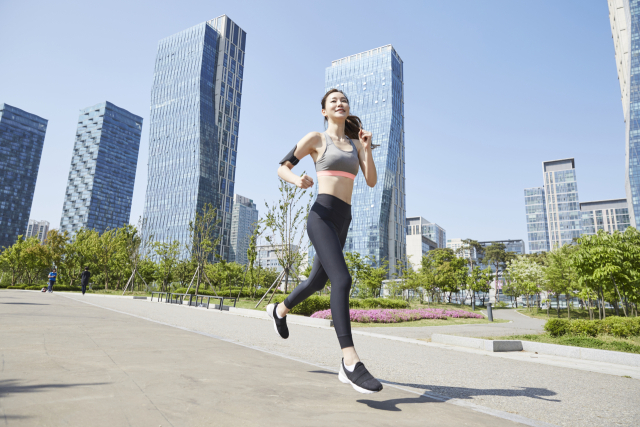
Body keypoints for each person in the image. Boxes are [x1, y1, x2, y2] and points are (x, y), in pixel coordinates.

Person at [266, 89, 382, 394]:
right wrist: (297, 180)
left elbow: (370, 180)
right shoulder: (316, 139)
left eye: (343, 100)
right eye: (334, 101)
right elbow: (282, 166)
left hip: (344, 219)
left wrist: (367, 149)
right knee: (341, 280)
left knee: (318, 282)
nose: (340, 103)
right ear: (324, 111)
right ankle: (349, 360)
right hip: (321, 216)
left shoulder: (357, 143)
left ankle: (279, 309)